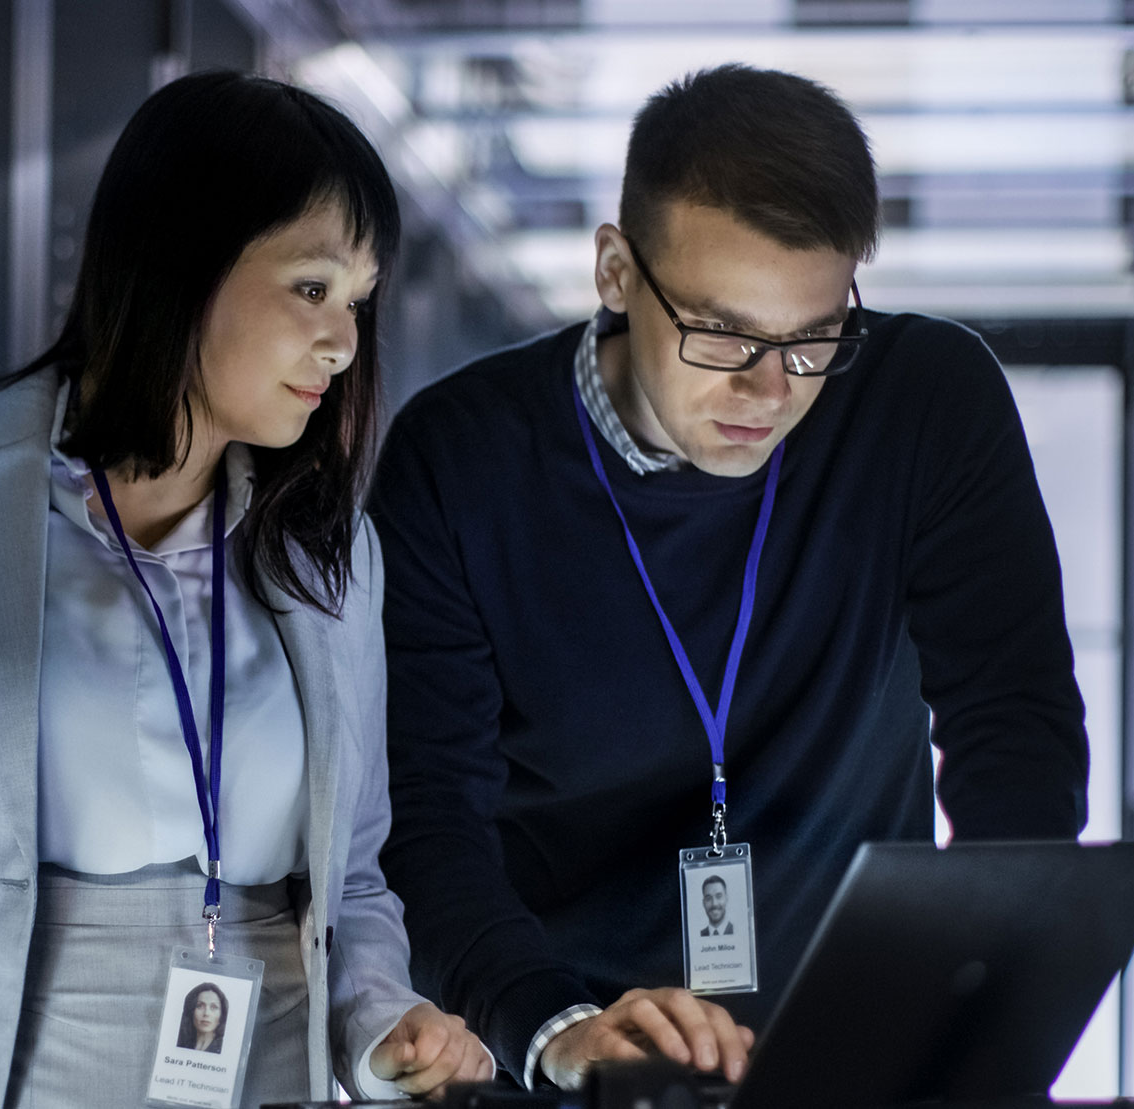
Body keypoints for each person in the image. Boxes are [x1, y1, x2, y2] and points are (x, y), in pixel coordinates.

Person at [0, 71, 491, 1109]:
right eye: (310, 287)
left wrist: (381, 1026)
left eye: (357, 303)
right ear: (180, 262)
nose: (341, 342)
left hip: (263, 1073)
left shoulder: (331, 557)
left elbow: (355, 880)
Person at [370, 63, 1088, 1093]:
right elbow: (427, 816)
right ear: (615, 272)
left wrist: (987, 998)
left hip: (860, 1040)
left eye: (812, 337)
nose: (767, 389)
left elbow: (1011, 726)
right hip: (574, 1039)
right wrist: (556, 1026)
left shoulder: (923, 402)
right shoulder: (462, 457)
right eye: (721, 333)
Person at [177, 984, 230, 1054]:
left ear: (222, 1014)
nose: (206, 1013)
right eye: (199, 1006)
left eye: (214, 1007)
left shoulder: (225, 1049)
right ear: (191, 1011)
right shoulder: (181, 1044)